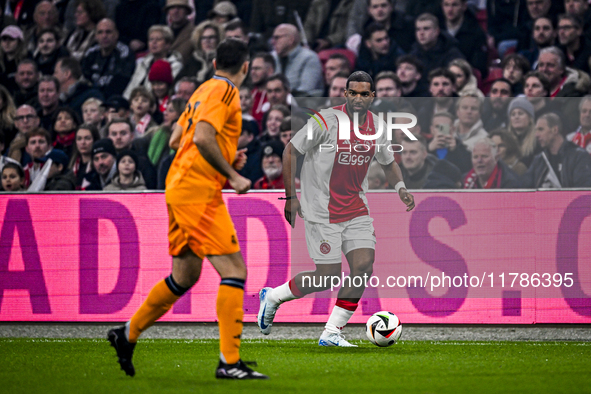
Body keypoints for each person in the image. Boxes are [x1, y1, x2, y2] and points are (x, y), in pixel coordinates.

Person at [107, 38, 268, 380]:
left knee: (185, 276)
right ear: (246, 67)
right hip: (197, 191)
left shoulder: (201, 91)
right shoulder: (226, 91)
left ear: (212, 64)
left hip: (178, 186)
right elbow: (201, 138)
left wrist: (223, 157)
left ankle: (127, 333)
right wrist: (233, 174)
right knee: (235, 271)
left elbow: (175, 139)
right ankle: (229, 362)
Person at [257, 71, 415, 347]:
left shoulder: (377, 127)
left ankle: (332, 332)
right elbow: (291, 151)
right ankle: (273, 297)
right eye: (352, 93)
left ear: (372, 97)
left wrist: (400, 187)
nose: (358, 98)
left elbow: (389, 162)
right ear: (345, 94)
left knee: (364, 266)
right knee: (326, 277)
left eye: (364, 94)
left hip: (356, 209)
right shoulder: (324, 120)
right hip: (321, 210)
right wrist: (291, 197)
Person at [522, 112, 591, 187]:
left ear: (555, 130)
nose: (536, 135)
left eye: (541, 129)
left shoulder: (578, 156)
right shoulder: (539, 160)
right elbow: (524, 187)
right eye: (536, 130)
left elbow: (583, 191)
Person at [123, 26, 183, 99]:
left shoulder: (175, 65)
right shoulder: (142, 63)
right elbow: (131, 87)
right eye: (151, 39)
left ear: (168, 44)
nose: (154, 42)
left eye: (158, 39)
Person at [81, 18, 136, 99]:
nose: (104, 36)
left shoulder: (124, 53)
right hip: (91, 98)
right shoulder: (91, 53)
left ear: (116, 35)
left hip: (112, 99)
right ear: (96, 36)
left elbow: (121, 83)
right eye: (100, 32)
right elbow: (83, 78)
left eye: (108, 32)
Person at [271, 23, 324, 96]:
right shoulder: (272, 57)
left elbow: (305, 92)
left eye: (277, 38)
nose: (272, 42)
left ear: (291, 40)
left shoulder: (309, 58)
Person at [441, 0, 488, 78]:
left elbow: (479, 65)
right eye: (446, 5)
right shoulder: (437, 31)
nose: (450, 9)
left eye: (454, 5)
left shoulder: (475, 32)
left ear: (464, 6)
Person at [409, 13, 464, 78]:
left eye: (426, 28)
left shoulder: (452, 55)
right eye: (418, 29)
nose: (421, 33)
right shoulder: (413, 55)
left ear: (437, 31)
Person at [507, 97, 539, 166]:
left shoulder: (537, 140)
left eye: (520, 113)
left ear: (530, 118)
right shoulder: (505, 141)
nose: (516, 117)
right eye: (513, 114)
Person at [68, 123, 100, 189]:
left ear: (95, 140)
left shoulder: (99, 166)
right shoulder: (71, 165)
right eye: (79, 139)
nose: (83, 142)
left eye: (87, 138)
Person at [164, 0, 194, 67]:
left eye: (180, 8)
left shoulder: (195, 33)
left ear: (186, 11)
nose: (175, 11)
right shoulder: (163, 34)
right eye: (172, 8)